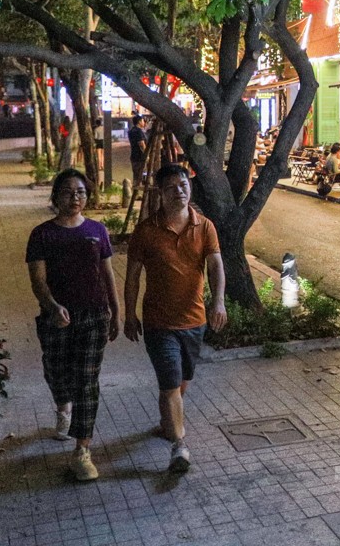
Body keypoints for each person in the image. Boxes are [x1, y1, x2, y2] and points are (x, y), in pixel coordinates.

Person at [125, 165, 227, 474]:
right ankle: (179, 447)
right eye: (171, 187)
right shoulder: (146, 230)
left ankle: (167, 422)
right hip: (159, 323)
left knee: (181, 384)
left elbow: (216, 267)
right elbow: (132, 277)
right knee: (170, 385)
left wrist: (218, 301)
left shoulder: (205, 226)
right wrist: (129, 314)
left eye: (183, 185)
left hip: (194, 321)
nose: (179, 191)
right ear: (160, 192)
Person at [26, 168, 121, 482]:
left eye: (81, 191)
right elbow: (38, 281)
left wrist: (117, 311)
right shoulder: (42, 234)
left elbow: (108, 275)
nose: (75, 197)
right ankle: (62, 406)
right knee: (56, 370)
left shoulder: (97, 230)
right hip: (56, 317)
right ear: (56, 196)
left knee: (87, 380)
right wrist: (52, 306)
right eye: (68, 192)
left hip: (94, 316)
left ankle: (82, 450)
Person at [128, 115, 148, 185]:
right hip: (140, 156)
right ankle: (140, 189)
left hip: (134, 155)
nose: (144, 122)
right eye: (143, 120)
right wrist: (146, 155)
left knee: (136, 175)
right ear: (139, 122)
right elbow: (141, 144)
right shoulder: (138, 131)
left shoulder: (131, 131)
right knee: (142, 174)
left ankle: (135, 190)